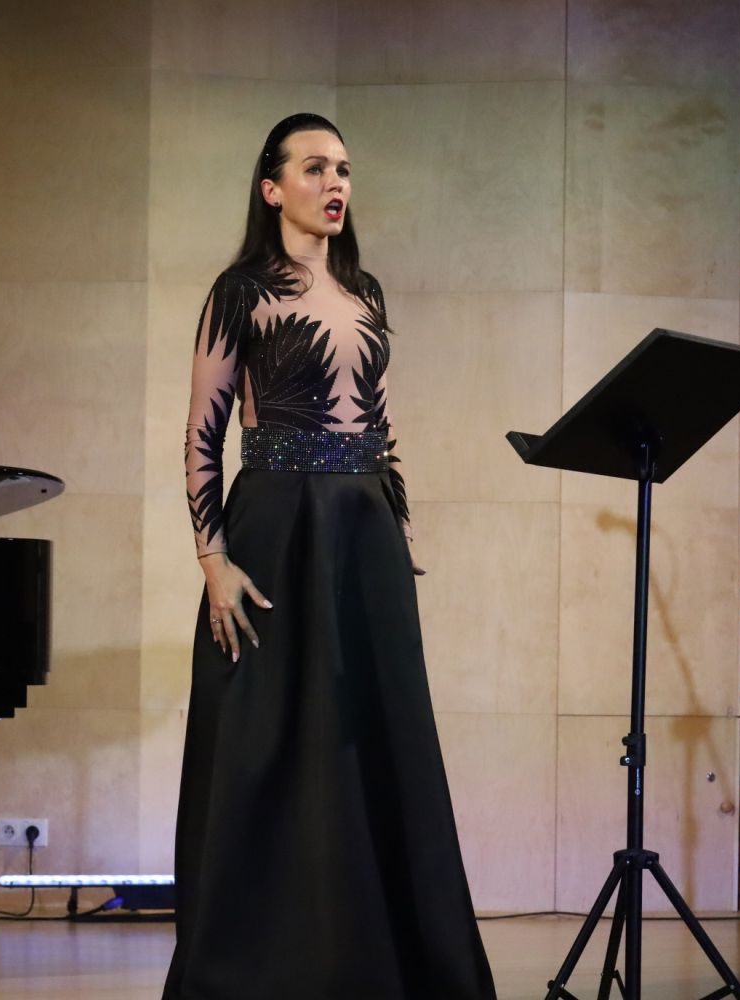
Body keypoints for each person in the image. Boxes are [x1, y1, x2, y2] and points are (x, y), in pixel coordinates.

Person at [163, 113, 497, 999]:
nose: (335, 183)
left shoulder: (366, 290)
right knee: (267, 738)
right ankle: (259, 967)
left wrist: (400, 527)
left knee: (380, 733)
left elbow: (381, 423)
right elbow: (202, 432)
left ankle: (390, 962)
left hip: (364, 525)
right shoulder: (239, 291)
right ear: (272, 188)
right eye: (315, 168)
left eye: (343, 169)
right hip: (275, 526)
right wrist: (212, 557)